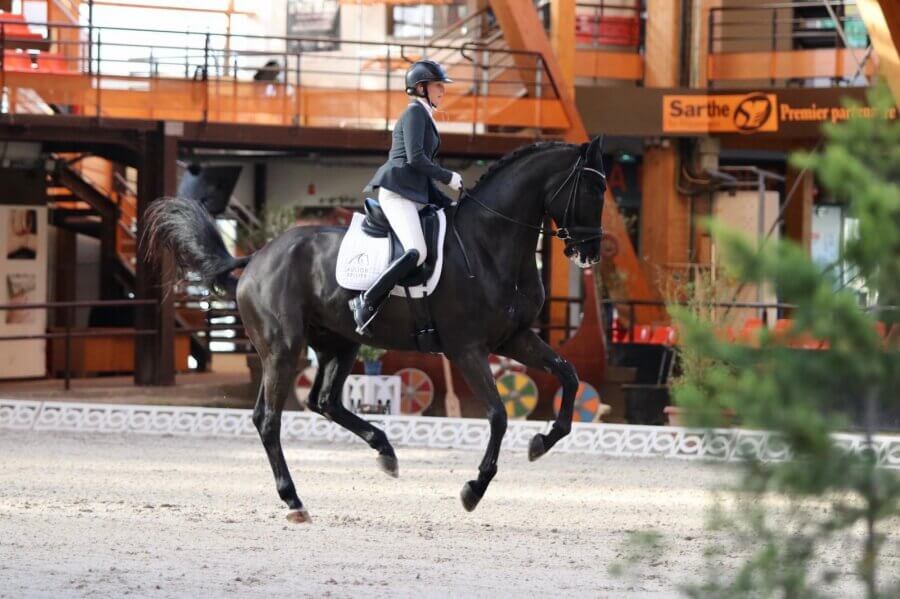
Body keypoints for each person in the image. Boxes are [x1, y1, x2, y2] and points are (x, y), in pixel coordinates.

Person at [349, 59, 463, 335]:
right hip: (398, 192)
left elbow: (422, 175)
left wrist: (449, 203)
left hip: (414, 192)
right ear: (421, 88)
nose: (442, 91)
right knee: (417, 250)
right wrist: (448, 177)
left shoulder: (425, 115)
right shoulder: (414, 113)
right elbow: (415, 160)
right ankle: (366, 301)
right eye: (438, 86)